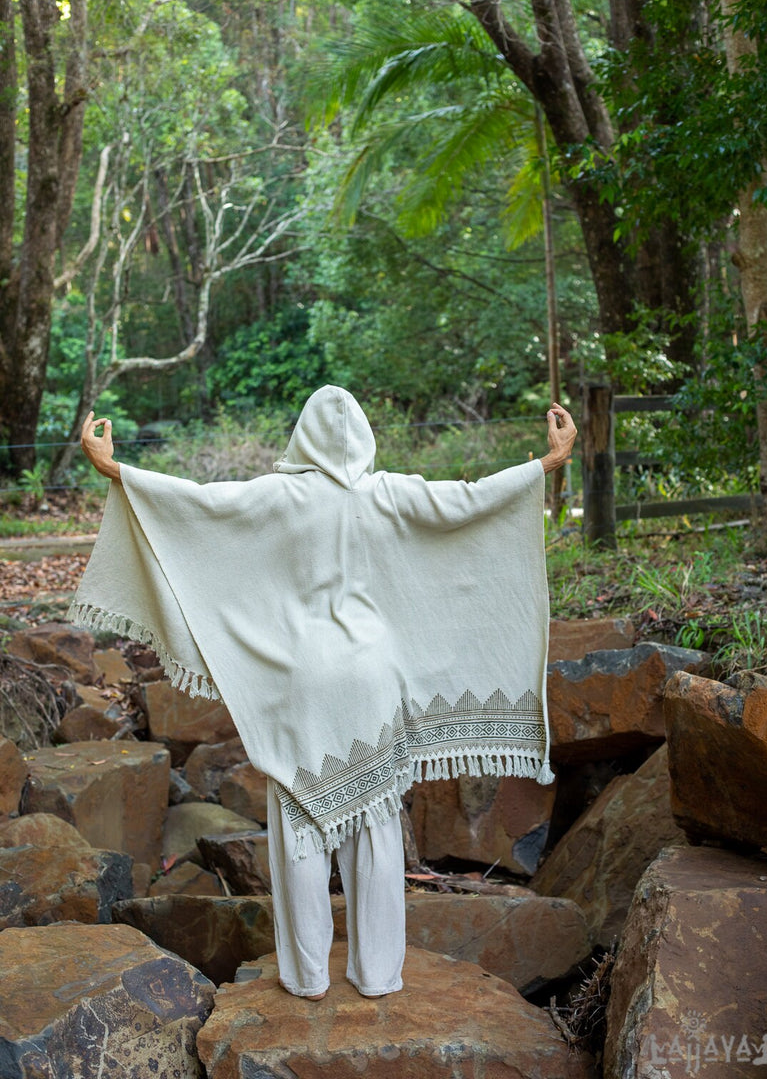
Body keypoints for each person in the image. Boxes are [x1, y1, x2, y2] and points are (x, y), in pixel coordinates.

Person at [74, 385, 576, 1000]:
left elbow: (196, 506)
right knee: (375, 823)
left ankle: (307, 976)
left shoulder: (279, 497)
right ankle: (377, 973)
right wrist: (548, 462)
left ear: (303, 434)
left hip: (300, 680)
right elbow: (471, 503)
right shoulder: (389, 495)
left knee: (300, 825)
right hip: (372, 679)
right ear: (363, 435)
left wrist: (114, 468)